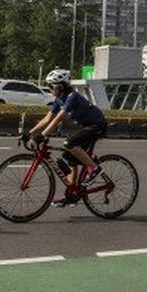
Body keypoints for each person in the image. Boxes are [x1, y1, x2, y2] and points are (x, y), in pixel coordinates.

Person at [26, 68, 107, 206]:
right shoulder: (59, 99)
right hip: (87, 126)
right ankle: (73, 192)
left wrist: (42, 135)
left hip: (97, 126)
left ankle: (95, 168)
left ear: (60, 86)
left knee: (69, 143)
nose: (49, 89)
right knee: (69, 156)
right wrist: (30, 133)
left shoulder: (72, 97)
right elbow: (47, 119)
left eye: (50, 86)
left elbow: (58, 119)